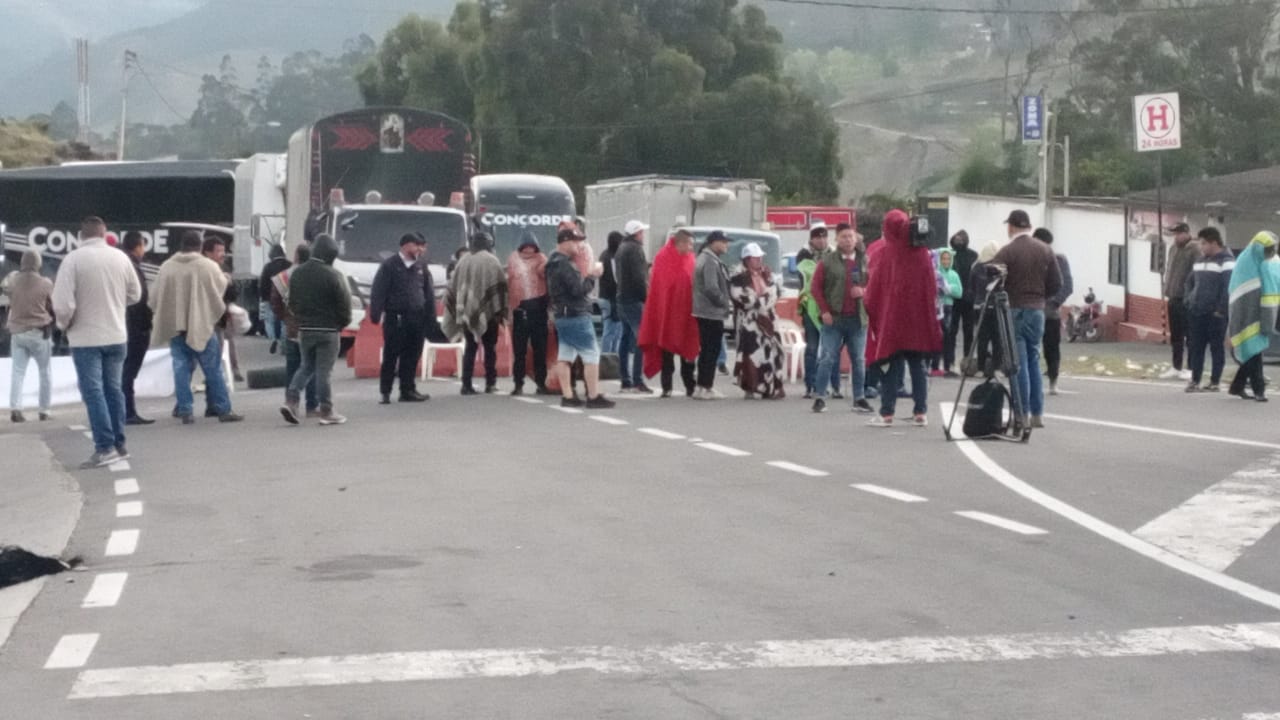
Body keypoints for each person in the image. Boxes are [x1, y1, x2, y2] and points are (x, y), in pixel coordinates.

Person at [52, 216, 142, 467]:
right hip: (116, 334)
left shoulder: (72, 261)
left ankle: (104, 447)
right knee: (114, 389)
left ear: (81, 236)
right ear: (105, 234)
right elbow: (135, 294)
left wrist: (64, 324)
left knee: (93, 392)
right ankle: (120, 444)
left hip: (85, 337)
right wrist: (114, 303)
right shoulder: (120, 258)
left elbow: (62, 303)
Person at [149, 230, 243, 426]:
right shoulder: (207, 266)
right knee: (213, 369)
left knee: (180, 368)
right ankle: (223, 409)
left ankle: (185, 410)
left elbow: (155, 297)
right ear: (199, 246)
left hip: (176, 327)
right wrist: (225, 278)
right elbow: (219, 289)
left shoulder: (167, 267)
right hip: (201, 326)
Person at [864, 210, 942, 428]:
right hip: (918, 321)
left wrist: (873, 310)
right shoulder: (923, 253)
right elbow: (932, 288)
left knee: (890, 366)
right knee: (918, 366)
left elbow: (874, 291)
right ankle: (921, 412)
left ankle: (887, 413)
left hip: (893, 322)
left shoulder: (886, 253)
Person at [992, 211, 1063, 429]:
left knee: (1018, 363)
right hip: (1038, 311)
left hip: (1015, 310)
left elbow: (994, 281)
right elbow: (1057, 283)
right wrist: (1041, 297)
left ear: (1011, 227)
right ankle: (1037, 413)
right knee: (1033, 359)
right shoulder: (1045, 250)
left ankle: (1020, 414)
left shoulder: (1007, 252)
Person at [280, 234, 352, 425]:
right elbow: (344, 304)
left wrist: (301, 318)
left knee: (306, 366)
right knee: (323, 372)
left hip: (305, 328)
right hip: (329, 330)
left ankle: (291, 401)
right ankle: (327, 410)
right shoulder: (334, 275)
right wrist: (342, 323)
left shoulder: (298, 273)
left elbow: (291, 302)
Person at [546, 226, 614, 409]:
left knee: (565, 355)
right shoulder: (565, 264)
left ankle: (568, 395)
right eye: (576, 241)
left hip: (562, 314)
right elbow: (578, 290)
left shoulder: (552, 262)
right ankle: (593, 396)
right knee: (591, 353)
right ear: (566, 241)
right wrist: (593, 275)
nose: (579, 245)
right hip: (576, 314)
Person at [369, 232, 439, 403]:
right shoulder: (390, 265)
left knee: (413, 354)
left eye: (423, 246)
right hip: (396, 318)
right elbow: (378, 291)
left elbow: (428, 293)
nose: (421, 250)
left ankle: (407, 390)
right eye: (418, 245)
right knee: (391, 355)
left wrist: (431, 316)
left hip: (417, 318)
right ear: (406, 245)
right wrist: (376, 314)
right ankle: (385, 392)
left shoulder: (421, 266)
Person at [810, 223, 871, 413]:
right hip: (834, 319)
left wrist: (863, 291)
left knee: (859, 360)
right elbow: (815, 288)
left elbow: (875, 285)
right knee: (827, 357)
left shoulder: (864, 261)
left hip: (857, 319)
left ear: (856, 239)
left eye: (851, 236)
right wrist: (824, 311)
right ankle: (820, 396)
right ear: (837, 239)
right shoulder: (827, 261)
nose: (848, 240)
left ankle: (859, 398)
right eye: (843, 236)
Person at [638, 229, 701, 398]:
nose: (691, 248)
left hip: (687, 313)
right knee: (666, 349)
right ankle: (667, 387)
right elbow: (659, 288)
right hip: (666, 312)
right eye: (689, 244)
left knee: (688, 350)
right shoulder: (663, 258)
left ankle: (690, 385)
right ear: (680, 243)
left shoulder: (691, 260)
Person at [445, 231, 508, 395]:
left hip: (465, 310)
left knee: (470, 348)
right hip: (488, 312)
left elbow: (452, 287)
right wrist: (500, 311)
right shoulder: (491, 260)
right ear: (489, 244)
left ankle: (466, 384)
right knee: (489, 349)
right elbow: (500, 286)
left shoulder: (463, 260)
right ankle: (490, 383)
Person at [1227, 231, 1280, 402]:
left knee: (1252, 351)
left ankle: (1237, 386)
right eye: (1267, 250)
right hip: (1245, 315)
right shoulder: (1245, 263)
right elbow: (1239, 291)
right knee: (1254, 353)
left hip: (1262, 313)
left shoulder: (1267, 263)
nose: (1270, 253)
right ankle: (1259, 390)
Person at [730, 242, 785, 399]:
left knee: (773, 353)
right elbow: (743, 298)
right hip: (749, 323)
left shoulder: (767, 275)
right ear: (747, 259)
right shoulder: (738, 278)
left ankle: (772, 387)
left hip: (769, 320)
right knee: (750, 354)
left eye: (760, 257)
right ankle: (751, 386)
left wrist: (763, 300)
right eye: (755, 258)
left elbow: (775, 293)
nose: (759, 260)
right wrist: (763, 300)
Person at [6, 248, 54, 423]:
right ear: (38, 264)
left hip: (17, 332)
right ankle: (44, 410)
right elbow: (53, 304)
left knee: (18, 372)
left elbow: (5, 290)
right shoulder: (46, 283)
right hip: (39, 332)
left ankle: (16, 408)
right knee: (45, 372)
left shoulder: (12, 281)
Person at [270, 244, 318, 417]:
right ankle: (312, 406)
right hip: (313, 328)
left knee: (292, 367)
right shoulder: (317, 275)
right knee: (311, 368)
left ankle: (291, 403)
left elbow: (274, 300)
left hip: (291, 328)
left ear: (296, 256)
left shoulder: (284, 276)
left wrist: (284, 317)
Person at [1184, 227, 1234, 393]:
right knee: (1196, 346)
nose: (1201, 247)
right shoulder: (1199, 261)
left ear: (1214, 242)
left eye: (1204, 243)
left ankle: (1215, 381)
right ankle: (1195, 380)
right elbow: (1190, 282)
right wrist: (1189, 300)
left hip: (1215, 314)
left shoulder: (1226, 261)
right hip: (1197, 311)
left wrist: (1221, 309)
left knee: (1216, 348)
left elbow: (1228, 287)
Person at [796, 224, 839, 399]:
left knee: (832, 349)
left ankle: (834, 385)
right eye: (817, 237)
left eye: (824, 237)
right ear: (811, 239)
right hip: (811, 308)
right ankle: (811, 385)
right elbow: (808, 279)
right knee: (812, 348)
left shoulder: (835, 254)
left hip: (831, 308)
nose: (821, 240)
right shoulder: (804, 255)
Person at [507, 230, 552, 395]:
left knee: (540, 349)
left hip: (539, 309)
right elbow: (510, 282)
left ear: (536, 247)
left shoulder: (542, 259)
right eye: (525, 247)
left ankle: (541, 383)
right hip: (519, 310)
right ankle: (518, 383)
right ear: (520, 247)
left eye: (531, 247)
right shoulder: (513, 259)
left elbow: (545, 274)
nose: (528, 250)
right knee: (519, 351)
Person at [118, 231, 155, 425]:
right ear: (138, 246)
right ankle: (128, 411)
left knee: (124, 371)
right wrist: (145, 326)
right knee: (128, 372)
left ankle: (125, 410)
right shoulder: (132, 267)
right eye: (142, 246)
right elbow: (139, 299)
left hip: (125, 326)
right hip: (134, 328)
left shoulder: (123, 265)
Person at [692, 230, 732, 400]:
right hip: (710, 312)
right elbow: (711, 287)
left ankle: (701, 386)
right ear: (713, 242)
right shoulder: (709, 260)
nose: (726, 245)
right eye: (723, 241)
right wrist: (724, 302)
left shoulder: (704, 257)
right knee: (711, 350)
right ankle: (706, 386)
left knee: (706, 350)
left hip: (704, 311)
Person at [614, 220, 652, 393]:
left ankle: (625, 379)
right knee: (641, 339)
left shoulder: (621, 248)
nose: (643, 235)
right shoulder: (635, 249)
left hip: (622, 297)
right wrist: (646, 297)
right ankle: (637, 379)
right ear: (636, 233)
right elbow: (638, 278)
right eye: (642, 232)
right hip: (634, 300)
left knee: (625, 337)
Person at [1035, 228, 1073, 396]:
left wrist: (1053, 302)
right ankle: (1033, 380)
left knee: (1051, 348)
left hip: (1050, 312)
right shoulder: (1028, 259)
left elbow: (1067, 286)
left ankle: (1053, 379)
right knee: (1030, 348)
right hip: (1030, 309)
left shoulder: (1059, 260)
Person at [202, 237, 243, 384]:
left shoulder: (224, 268)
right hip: (207, 315)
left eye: (223, 250)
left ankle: (233, 369)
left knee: (228, 340)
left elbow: (233, 295)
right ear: (207, 253)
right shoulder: (203, 269)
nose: (223, 254)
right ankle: (213, 375)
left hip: (223, 313)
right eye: (218, 251)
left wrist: (230, 284)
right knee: (214, 345)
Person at [1162, 222, 1198, 380]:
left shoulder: (1195, 250)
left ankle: (1191, 368)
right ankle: (1176, 366)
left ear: (1186, 233)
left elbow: (1196, 276)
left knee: (1190, 335)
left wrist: (1191, 295)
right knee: (1175, 335)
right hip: (1173, 297)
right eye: (1174, 234)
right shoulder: (1173, 249)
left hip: (1187, 299)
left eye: (1178, 234)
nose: (1175, 237)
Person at [947, 230, 978, 373]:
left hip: (968, 298)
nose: (958, 241)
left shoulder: (973, 256)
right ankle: (950, 361)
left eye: (961, 238)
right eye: (956, 238)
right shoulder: (949, 255)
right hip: (953, 297)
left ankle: (967, 361)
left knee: (969, 331)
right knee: (951, 331)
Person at [930, 249, 963, 378]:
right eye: (943, 259)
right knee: (938, 337)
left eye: (948, 259)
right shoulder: (936, 273)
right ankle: (935, 365)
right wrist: (947, 288)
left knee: (949, 337)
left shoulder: (954, 274)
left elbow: (959, 292)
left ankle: (948, 365)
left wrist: (947, 288)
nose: (946, 261)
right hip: (937, 308)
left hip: (949, 307)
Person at [259, 244, 291, 353]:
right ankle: (283, 343)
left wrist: (263, 298)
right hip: (286, 298)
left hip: (269, 298)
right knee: (284, 321)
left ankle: (273, 339)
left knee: (269, 320)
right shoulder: (289, 265)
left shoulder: (268, 267)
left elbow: (262, 283)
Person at [597, 230, 624, 355]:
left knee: (611, 329)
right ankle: (609, 358)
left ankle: (610, 358)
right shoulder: (612, 258)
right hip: (611, 298)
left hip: (604, 296)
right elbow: (616, 280)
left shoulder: (603, 255)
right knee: (613, 330)